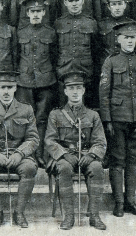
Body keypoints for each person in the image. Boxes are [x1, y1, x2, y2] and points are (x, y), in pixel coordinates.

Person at [99, 21, 136, 218]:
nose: (130, 41)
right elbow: (104, 93)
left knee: (134, 160)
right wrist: (108, 120)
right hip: (118, 118)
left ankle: (131, 201)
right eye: (126, 38)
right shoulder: (111, 62)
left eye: (133, 38)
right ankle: (119, 202)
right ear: (118, 39)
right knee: (118, 160)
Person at [0, 71, 39, 228]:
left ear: (15, 87)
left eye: (10, 87)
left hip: (19, 154)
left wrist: (20, 153)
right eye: (3, 87)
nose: (6, 91)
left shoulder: (26, 110)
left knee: (29, 168)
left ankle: (19, 212)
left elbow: (33, 138)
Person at [44, 70, 106, 230]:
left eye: (78, 88)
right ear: (65, 91)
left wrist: (92, 154)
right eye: (71, 88)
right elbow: (49, 140)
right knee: (64, 168)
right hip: (65, 157)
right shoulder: (55, 114)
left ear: (84, 90)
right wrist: (63, 154)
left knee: (97, 167)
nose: (75, 92)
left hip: (86, 155)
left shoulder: (93, 115)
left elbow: (100, 142)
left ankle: (94, 216)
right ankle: (68, 216)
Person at [16, 0, 57, 165]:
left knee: (42, 118)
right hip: (24, 81)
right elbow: (15, 55)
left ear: (43, 13)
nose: (35, 15)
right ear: (27, 13)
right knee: (26, 118)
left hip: (45, 81)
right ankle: (27, 154)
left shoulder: (50, 32)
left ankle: (39, 154)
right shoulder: (20, 32)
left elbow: (55, 55)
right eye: (32, 12)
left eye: (38, 11)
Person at [54, 0, 101, 108]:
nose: (74, 4)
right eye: (70, 1)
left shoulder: (91, 23)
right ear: (65, 2)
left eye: (77, 0)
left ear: (82, 0)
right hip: (64, 71)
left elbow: (96, 50)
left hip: (85, 71)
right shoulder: (58, 23)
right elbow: (53, 50)